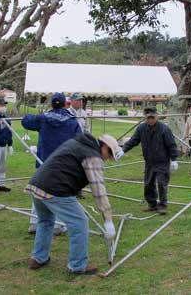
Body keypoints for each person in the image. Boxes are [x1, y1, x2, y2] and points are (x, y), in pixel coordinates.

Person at [26, 133, 122, 275]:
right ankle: (77, 265)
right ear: (105, 147)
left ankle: (38, 258)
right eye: (109, 155)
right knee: (79, 223)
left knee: (45, 221)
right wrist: (108, 220)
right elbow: (98, 190)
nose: (108, 159)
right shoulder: (92, 157)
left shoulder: (77, 143)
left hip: (37, 184)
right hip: (56, 189)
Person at [22, 92, 82, 234]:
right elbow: (80, 139)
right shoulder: (72, 121)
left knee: (38, 190)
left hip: (43, 162)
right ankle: (58, 224)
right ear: (64, 103)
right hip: (63, 164)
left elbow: (26, 121)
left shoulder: (43, 119)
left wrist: (30, 116)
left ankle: (35, 221)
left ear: (51, 104)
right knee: (61, 193)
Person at [122, 107, 179, 215]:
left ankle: (162, 206)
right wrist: (123, 150)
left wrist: (174, 159)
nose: (150, 120)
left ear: (156, 116)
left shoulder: (164, 129)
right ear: (145, 118)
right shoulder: (141, 128)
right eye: (148, 118)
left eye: (152, 117)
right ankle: (152, 204)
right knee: (148, 184)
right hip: (149, 162)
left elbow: (171, 145)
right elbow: (133, 141)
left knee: (162, 183)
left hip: (162, 161)